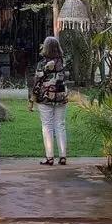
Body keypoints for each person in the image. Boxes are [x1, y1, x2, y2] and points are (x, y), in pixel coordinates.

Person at [30, 36, 69, 166]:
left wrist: (32, 98)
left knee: (47, 126)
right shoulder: (63, 62)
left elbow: (37, 81)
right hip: (61, 95)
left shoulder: (42, 64)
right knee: (60, 125)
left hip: (45, 96)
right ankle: (62, 156)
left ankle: (49, 157)